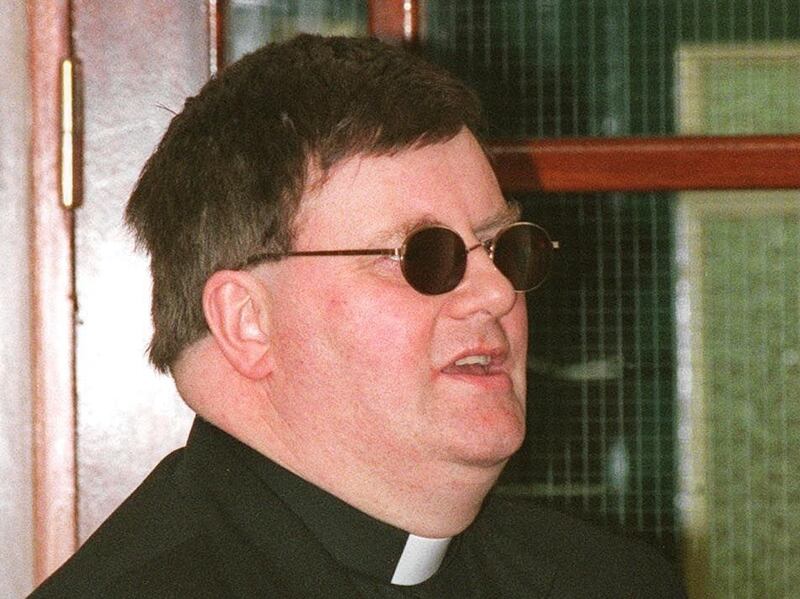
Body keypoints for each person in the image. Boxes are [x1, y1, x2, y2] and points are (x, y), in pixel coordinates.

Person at [31, 34, 685, 598]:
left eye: (502, 247)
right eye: (424, 257)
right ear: (247, 323)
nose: (496, 292)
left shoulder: (607, 579)